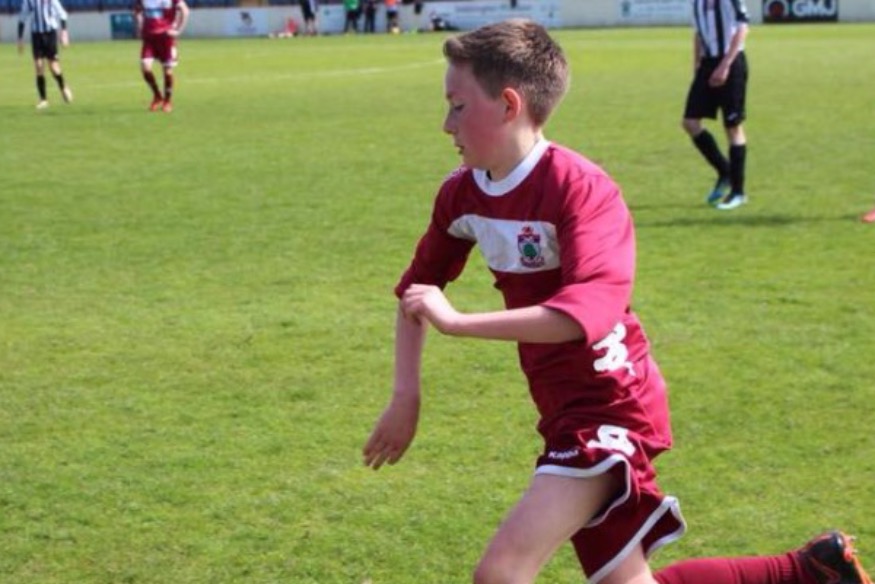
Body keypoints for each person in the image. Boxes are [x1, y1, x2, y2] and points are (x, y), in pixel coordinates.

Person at [362, 19, 872, 584]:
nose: (446, 124)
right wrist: (406, 396)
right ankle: (813, 569)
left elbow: (585, 313)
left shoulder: (579, 188)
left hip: (612, 403)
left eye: (458, 107)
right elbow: (415, 294)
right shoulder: (461, 194)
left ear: (508, 105)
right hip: (561, 410)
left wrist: (459, 323)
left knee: (501, 573)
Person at [681, 0, 750, 211]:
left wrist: (725, 65)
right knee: (690, 122)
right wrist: (696, 66)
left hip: (731, 62)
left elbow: (743, 28)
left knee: (732, 127)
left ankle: (738, 192)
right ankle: (725, 170)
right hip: (707, 63)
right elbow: (698, 34)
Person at [134, 0, 190, 113]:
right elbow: (137, 11)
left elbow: (185, 10)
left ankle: (167, 101)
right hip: (149, 38)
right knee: (145, 68)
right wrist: (140, 25)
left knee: (168, 72)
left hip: (166, 38)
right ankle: (157, 96)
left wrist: (178, 30)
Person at [16, 0, 73, 110]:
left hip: (50, 33)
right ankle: (43, 100)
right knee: (38, 66)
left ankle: (63, 87)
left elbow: (62, 14)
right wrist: (20, 38)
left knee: (54, 67)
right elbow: (22, 17)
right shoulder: (29, 1)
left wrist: (64, 32)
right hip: (36, 35)